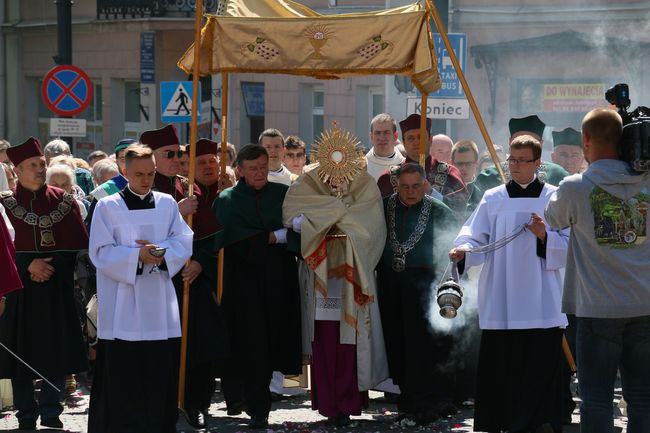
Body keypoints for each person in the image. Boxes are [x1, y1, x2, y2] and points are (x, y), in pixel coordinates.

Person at [450, 134, 569, 433]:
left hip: (543, 300)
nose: (514, 166)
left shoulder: (554, 197)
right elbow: (473, 234)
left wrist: (545, 236)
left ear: (538, 163)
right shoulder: (494, 198)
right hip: (502, 300)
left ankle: (538, 423)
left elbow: (573, 246)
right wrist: (463, 250)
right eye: (511, 160)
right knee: (502, 371)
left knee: (538, 370)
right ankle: (500, 422)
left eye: (521, 161)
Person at [545, 108, 650, 433]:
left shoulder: (576, 186)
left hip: (598, 308)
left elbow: (553, 218)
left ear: (585, 140)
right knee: (643, 398)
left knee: (596, 399)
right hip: (644, 305)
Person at [283, 126, 388, 426]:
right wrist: (333, 211)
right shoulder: (308, 183)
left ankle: (348, 401)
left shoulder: (365, 186)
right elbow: (293, 215)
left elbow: (370, 227)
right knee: (324, 340)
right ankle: (328, 403)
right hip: (319, 275)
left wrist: (324, 216)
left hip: (351, 275)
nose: (338, 175)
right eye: (331, 166)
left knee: (349, 342)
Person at [87, 144, 193, 433]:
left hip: (158, 302)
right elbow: (99, 252)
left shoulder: (167, 203)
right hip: (122, 305)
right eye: (138, 174)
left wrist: (159, 254)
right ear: (125, 171)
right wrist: (136, 257)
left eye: (150, 173)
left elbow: (183, 240)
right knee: (124, 375)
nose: (145, 180)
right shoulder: (107, 207)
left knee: (158, 373)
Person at [0, 137, 88, 430]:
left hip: (55, 288)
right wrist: (28, 266)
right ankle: (26, 412)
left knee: (56, 351)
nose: (41, 169)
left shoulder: (65, 201)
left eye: (42, 164)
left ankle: (52, 410)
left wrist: (49, 268)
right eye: (33, 165)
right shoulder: (4, 203)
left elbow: (76, 247)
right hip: (19, 292)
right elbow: (3, 249)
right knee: (21, 352)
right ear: (18, 169)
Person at [213, 144, 302, 429]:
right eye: (253, 169)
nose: (260, 173)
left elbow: (297, 229)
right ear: (239, 170)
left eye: (264, 167)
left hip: (279, 280)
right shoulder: (228, 199)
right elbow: (228, 241)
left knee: (275, 339)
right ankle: (256, 406)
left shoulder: (282, 193)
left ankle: (269, 396)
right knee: (250, 344)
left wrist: (292, 231)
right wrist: (273, 238)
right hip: (244, 284)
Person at [376, 163, 456, 425]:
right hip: (391, 281)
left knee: (422, 345)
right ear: (396, 185)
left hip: (424, 284)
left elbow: (452, 248)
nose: (410, 192)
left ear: (424, 185)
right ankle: (407, 397)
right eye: (405, 187)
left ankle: (427, 401)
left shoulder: (439, 210)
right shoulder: (383, 206)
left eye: (416, 186)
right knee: (397, 341)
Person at [376, 114, 467, 213]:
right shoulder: (388, 178)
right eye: (411, 138)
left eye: (420, 137)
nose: (416, 142)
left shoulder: (450, 174)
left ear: (430, 140)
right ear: (404, 143)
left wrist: (433, 194)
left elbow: (461, 212)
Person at [475, 115, 569, 194]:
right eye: (518, 140)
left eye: (531, 142)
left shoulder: (558, 175)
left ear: (541, 144)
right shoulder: (488, 177)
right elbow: (473, 211)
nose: (524, 146)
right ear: (510, 142)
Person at [365, 113, 405, 181]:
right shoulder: (362, 167)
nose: (382, 138)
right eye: (377, 133)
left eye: (386, 132)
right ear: (371, 137)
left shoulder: (405, 165)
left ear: (395, 136)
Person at [451, 139, 482, 215]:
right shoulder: (443, 189)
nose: (464, 168)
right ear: (451, 163)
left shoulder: (483, 190)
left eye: (468, 164)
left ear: (477, 163)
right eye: (459, 164)